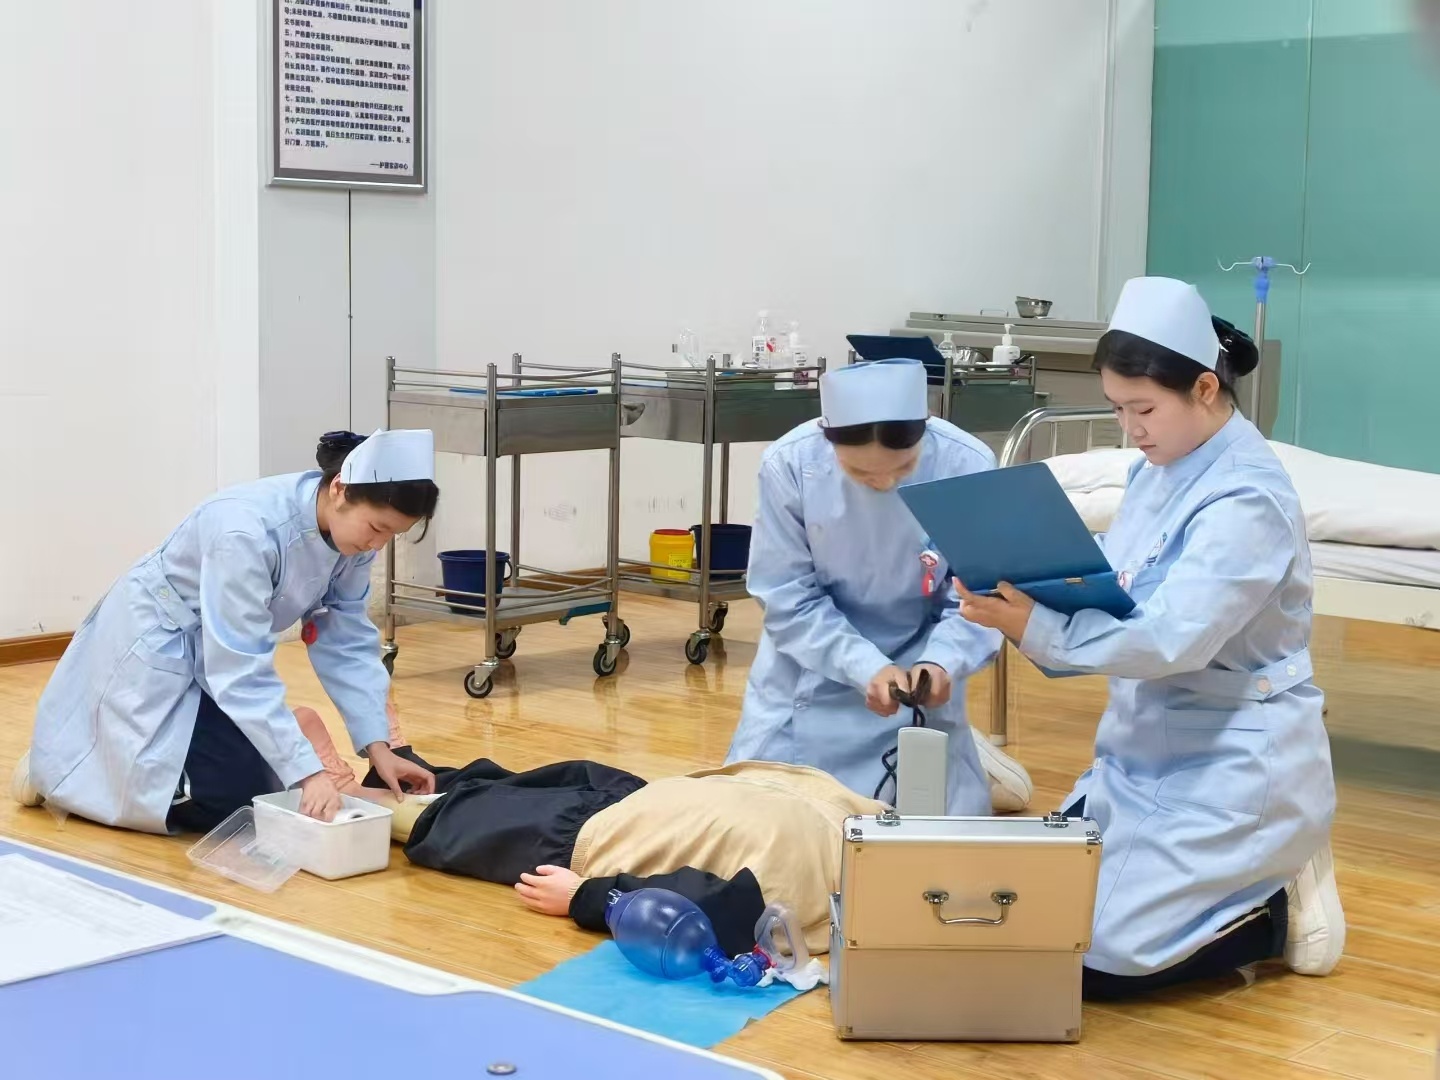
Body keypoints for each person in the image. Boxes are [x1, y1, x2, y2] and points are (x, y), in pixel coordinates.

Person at [954, 276, 1344, 998]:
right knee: (1027, 911)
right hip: (1141, 747)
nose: (1130, 428)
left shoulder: (1248, 498)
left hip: (1232, 760)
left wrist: (1037, 626)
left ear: (1205, 388)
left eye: (1144, 408)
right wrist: (1019, 574)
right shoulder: (1155, 470)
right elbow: (1124, 578)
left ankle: (1277, 902)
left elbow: (1172, 640)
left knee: (1096, 956)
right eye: (1117, 408)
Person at [11, 429, 439, 834]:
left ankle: (95, 758)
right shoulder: (244, 530)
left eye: (392, 535)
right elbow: (237, 667)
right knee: (223, 801)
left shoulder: (353, 540)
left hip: (220, 659)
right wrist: (310, 774)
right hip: (160, 646)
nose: (377, 545)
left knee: (254, 788)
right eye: (377, 528)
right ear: (340, 489)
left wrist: (379, 747)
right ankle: (63, 766)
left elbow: (345, 639)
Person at [291, 704, 885, 959]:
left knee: (496, 791)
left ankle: (377, 772)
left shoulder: (871, 822)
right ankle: (360, 784)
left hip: (640, 799)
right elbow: (694, 907)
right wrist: (588, 897)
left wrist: (586, 894)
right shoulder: (807, 896)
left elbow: (696, 898)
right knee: (462, 818)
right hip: (613, 828)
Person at [724, 357, 1033, 816]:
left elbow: (977, 596)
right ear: (829, 441)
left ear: (924, 435)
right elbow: (788, 595)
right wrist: (865, 665)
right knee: (775, 830)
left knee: (942, 839)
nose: (885, 483)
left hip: (924, 674)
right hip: (812, 670)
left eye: (904, 467)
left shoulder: (966, 463)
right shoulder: (791, 464)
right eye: (862, 475)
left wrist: (943, 661)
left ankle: (982, 763)